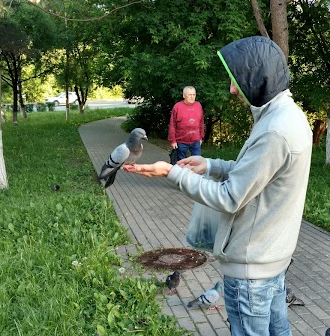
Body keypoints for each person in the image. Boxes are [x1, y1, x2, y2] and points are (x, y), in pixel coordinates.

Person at [124, 36, 312, 336]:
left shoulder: (274, 130)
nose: (232, 88)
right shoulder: (288, 117)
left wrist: (173, 173)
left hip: (252, 269)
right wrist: (210, 165)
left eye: (237, 80)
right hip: (271, 259)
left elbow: (229, 197)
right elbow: (258, 174)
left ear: (257, 78)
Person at [168, 86, 205, 161]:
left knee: (197, 161)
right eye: (190, 95)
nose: (192, 97)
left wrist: (201, 137)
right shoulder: (177, 107)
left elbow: (201, 122)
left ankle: (194, 173)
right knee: (181, 163)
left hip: (195, 141)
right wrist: (173, 140)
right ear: (184, 95)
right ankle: (181, 173)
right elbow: (172, 125)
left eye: (194, 95)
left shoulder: (198, 105)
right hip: (181, 141)